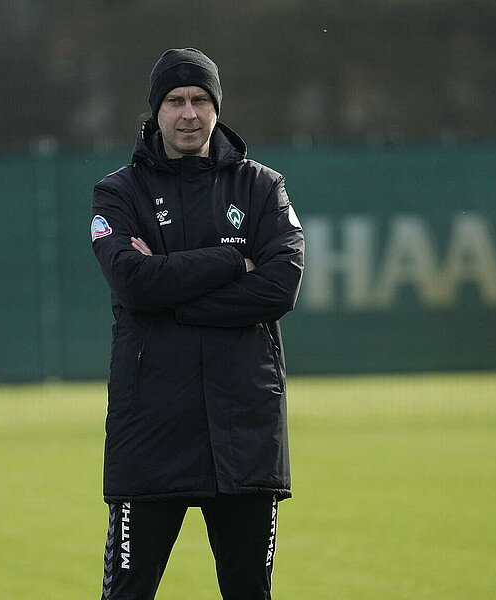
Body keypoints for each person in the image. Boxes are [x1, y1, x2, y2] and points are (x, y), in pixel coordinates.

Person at [90, 48, 305, 600]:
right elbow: (133, 283)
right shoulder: (118, 193)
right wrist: (234, 261)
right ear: (155, 111)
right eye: (176, 101)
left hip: (244, 433)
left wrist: (174, 298)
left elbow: (281, 285)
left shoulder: (262, 187)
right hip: (151, 436)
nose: (189, 114)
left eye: (200, 101)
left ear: (216, 108)